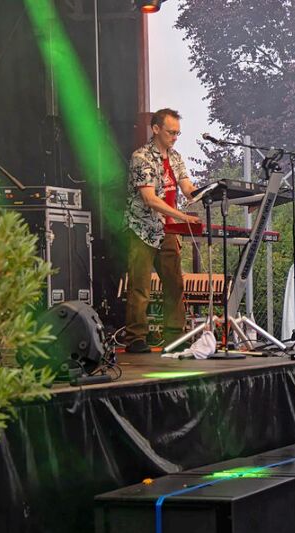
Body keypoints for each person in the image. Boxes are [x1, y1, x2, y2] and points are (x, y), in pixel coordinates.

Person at [123, 107, 201, 353]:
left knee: (174, 284)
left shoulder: (176, 157)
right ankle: (136, 338)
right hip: (143, 229)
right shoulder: (141, 157)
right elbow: (150, 199)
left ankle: (174, 337)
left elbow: (188, 188)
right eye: (171, 132)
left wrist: (216, 195)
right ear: (155, 129)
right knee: (140, 285)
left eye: (178, 133)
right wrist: (182, 216)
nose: (175, 138)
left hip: (168, 230)